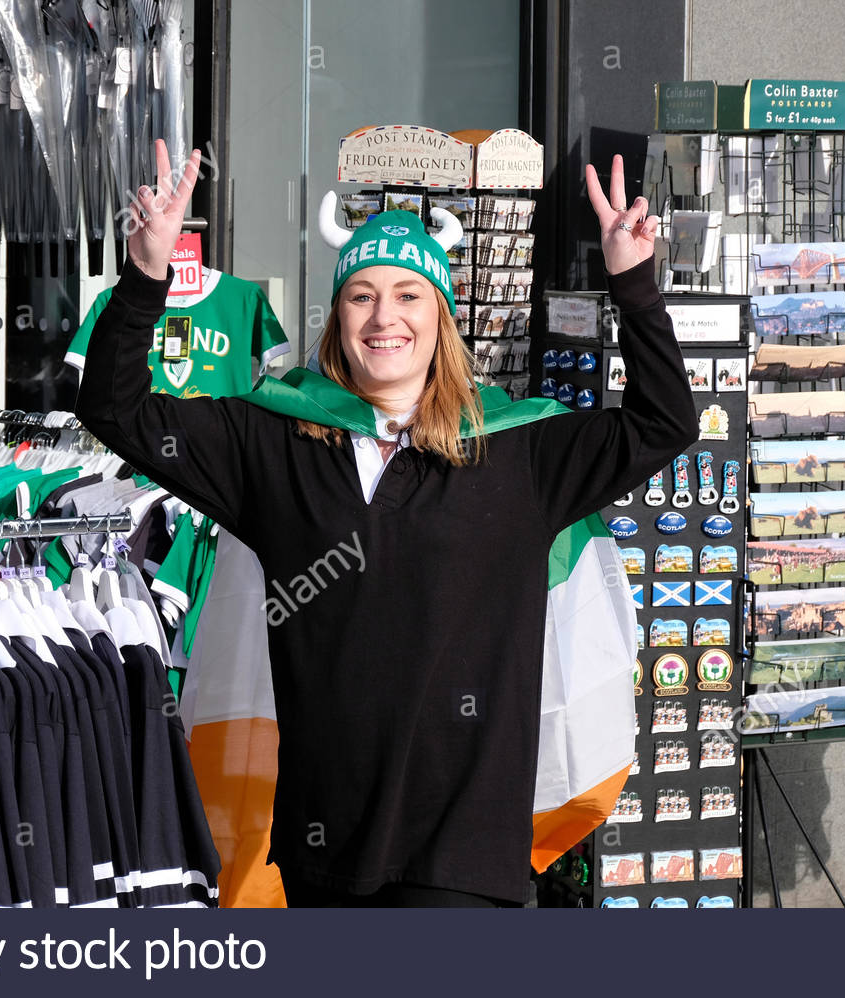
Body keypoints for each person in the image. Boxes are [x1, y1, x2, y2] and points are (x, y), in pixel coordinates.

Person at [75, 139, 697, 907]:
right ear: (337, 315)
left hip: (464, 861)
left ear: (440, 317)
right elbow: (113, 408)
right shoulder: (273, 442)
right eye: (362, 294)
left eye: (409, 295)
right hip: (322, 851)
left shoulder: (521, 451)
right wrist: (144, 275)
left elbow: (665, 424)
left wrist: (634, 287)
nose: (384, 316)